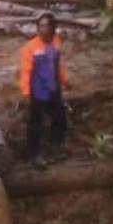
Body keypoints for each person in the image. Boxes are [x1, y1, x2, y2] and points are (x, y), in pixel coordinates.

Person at [19, 13, 70, 169]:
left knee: (60, 119)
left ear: (53, 28)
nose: (43, 29)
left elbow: (58, 65)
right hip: (37, 91)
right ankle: (34, 155)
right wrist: (26, 93)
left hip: (53, 89)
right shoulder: (30, 48)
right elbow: (25, 72)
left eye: (47, 26)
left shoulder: (56, 42)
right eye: (40, 26)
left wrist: (65, 80)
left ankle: (55, 147)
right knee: (35, 124)